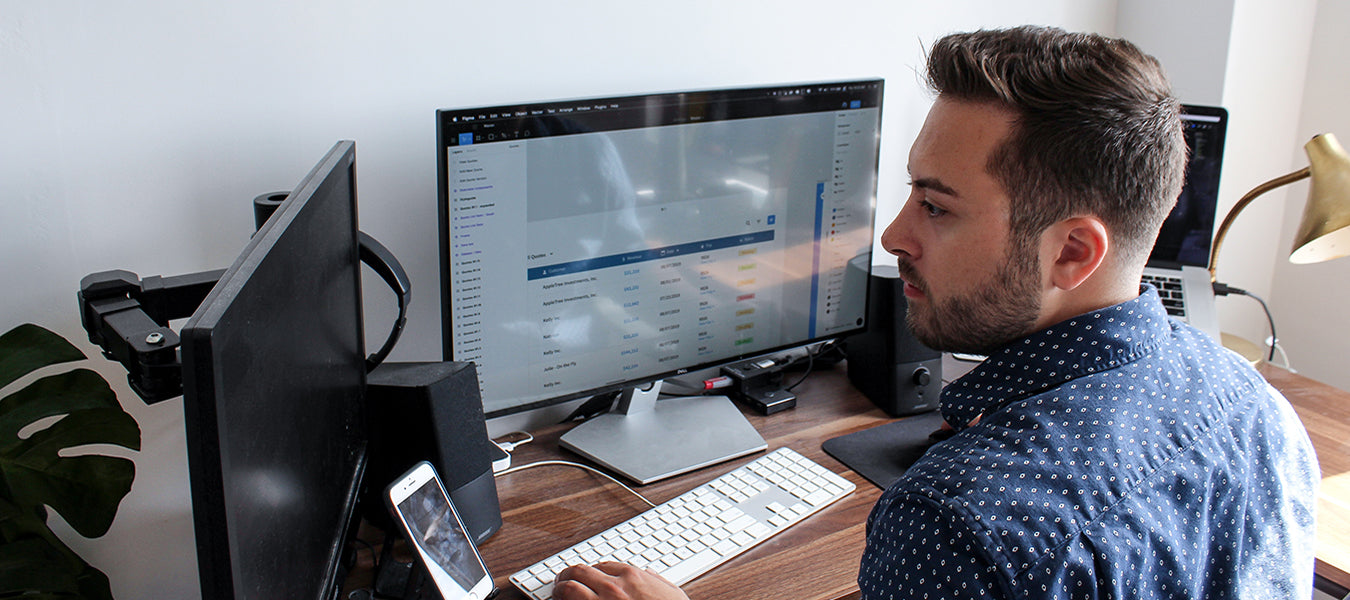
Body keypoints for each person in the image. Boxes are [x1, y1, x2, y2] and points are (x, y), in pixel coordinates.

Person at [553, 25, 1319, 600]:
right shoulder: (1257, 405)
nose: (894, 236)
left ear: (1072, 255)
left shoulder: (962, 526)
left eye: (936, 207)